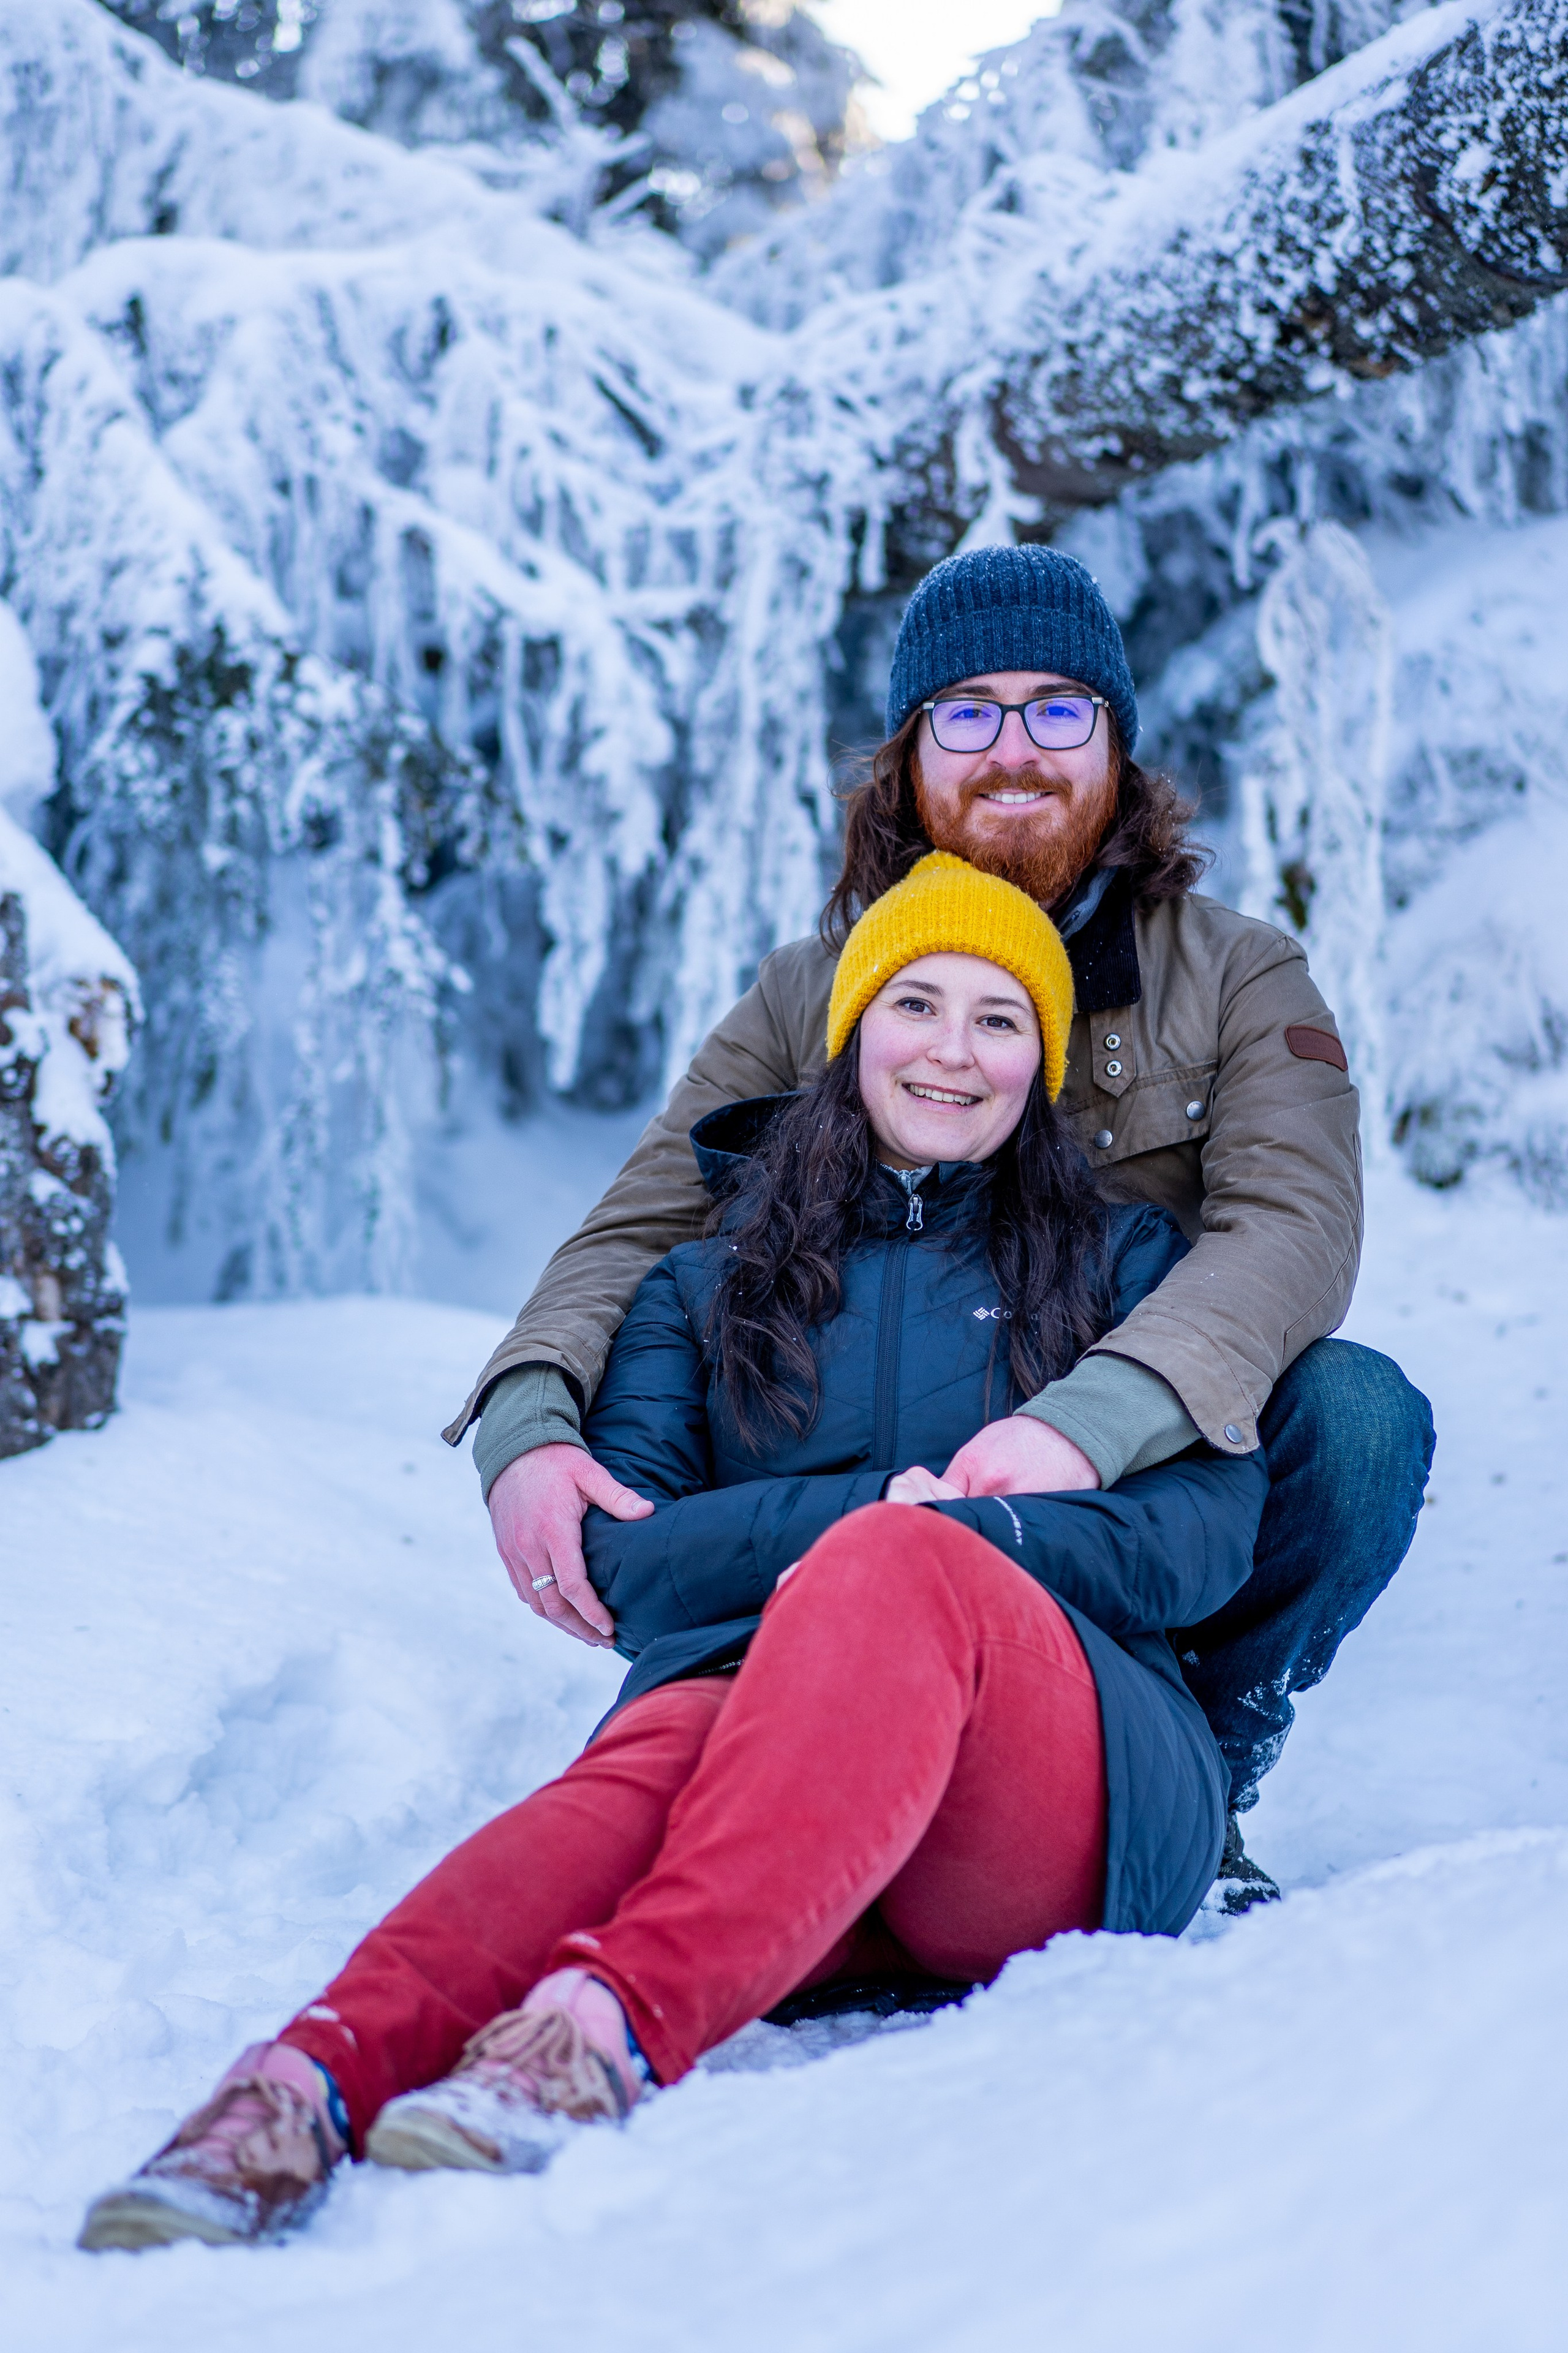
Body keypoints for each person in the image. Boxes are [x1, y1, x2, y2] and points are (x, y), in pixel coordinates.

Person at [80, 857, 1267, 2253]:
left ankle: (600, 2030)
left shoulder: (1127, 1263)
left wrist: (958, 1538)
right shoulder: (702, 1283)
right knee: (662, 1745)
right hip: (770, 1782)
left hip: (1055, 1799)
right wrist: (861, 1517)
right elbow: (629, 1562)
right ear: (851, 1032)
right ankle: (297, 2085)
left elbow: (1204, 1531)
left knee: (900, 1567)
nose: (953, 1048)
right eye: (916, 1003)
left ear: (1040, 1063)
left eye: (999, 1019)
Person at [451, 543, 1434, 1906]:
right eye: (966, 713)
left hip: (1121, 1465)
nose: (1012, 750)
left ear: (1115, 746)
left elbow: (1292, 1230)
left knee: (1357, 1416)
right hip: (879, 1452)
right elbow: (638, 1226)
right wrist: (524, 1425)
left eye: (1057, 710)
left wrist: (1086, 1424)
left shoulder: (1235, 974)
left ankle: (1195, 1767)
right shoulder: (812, 990)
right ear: (909, 757)